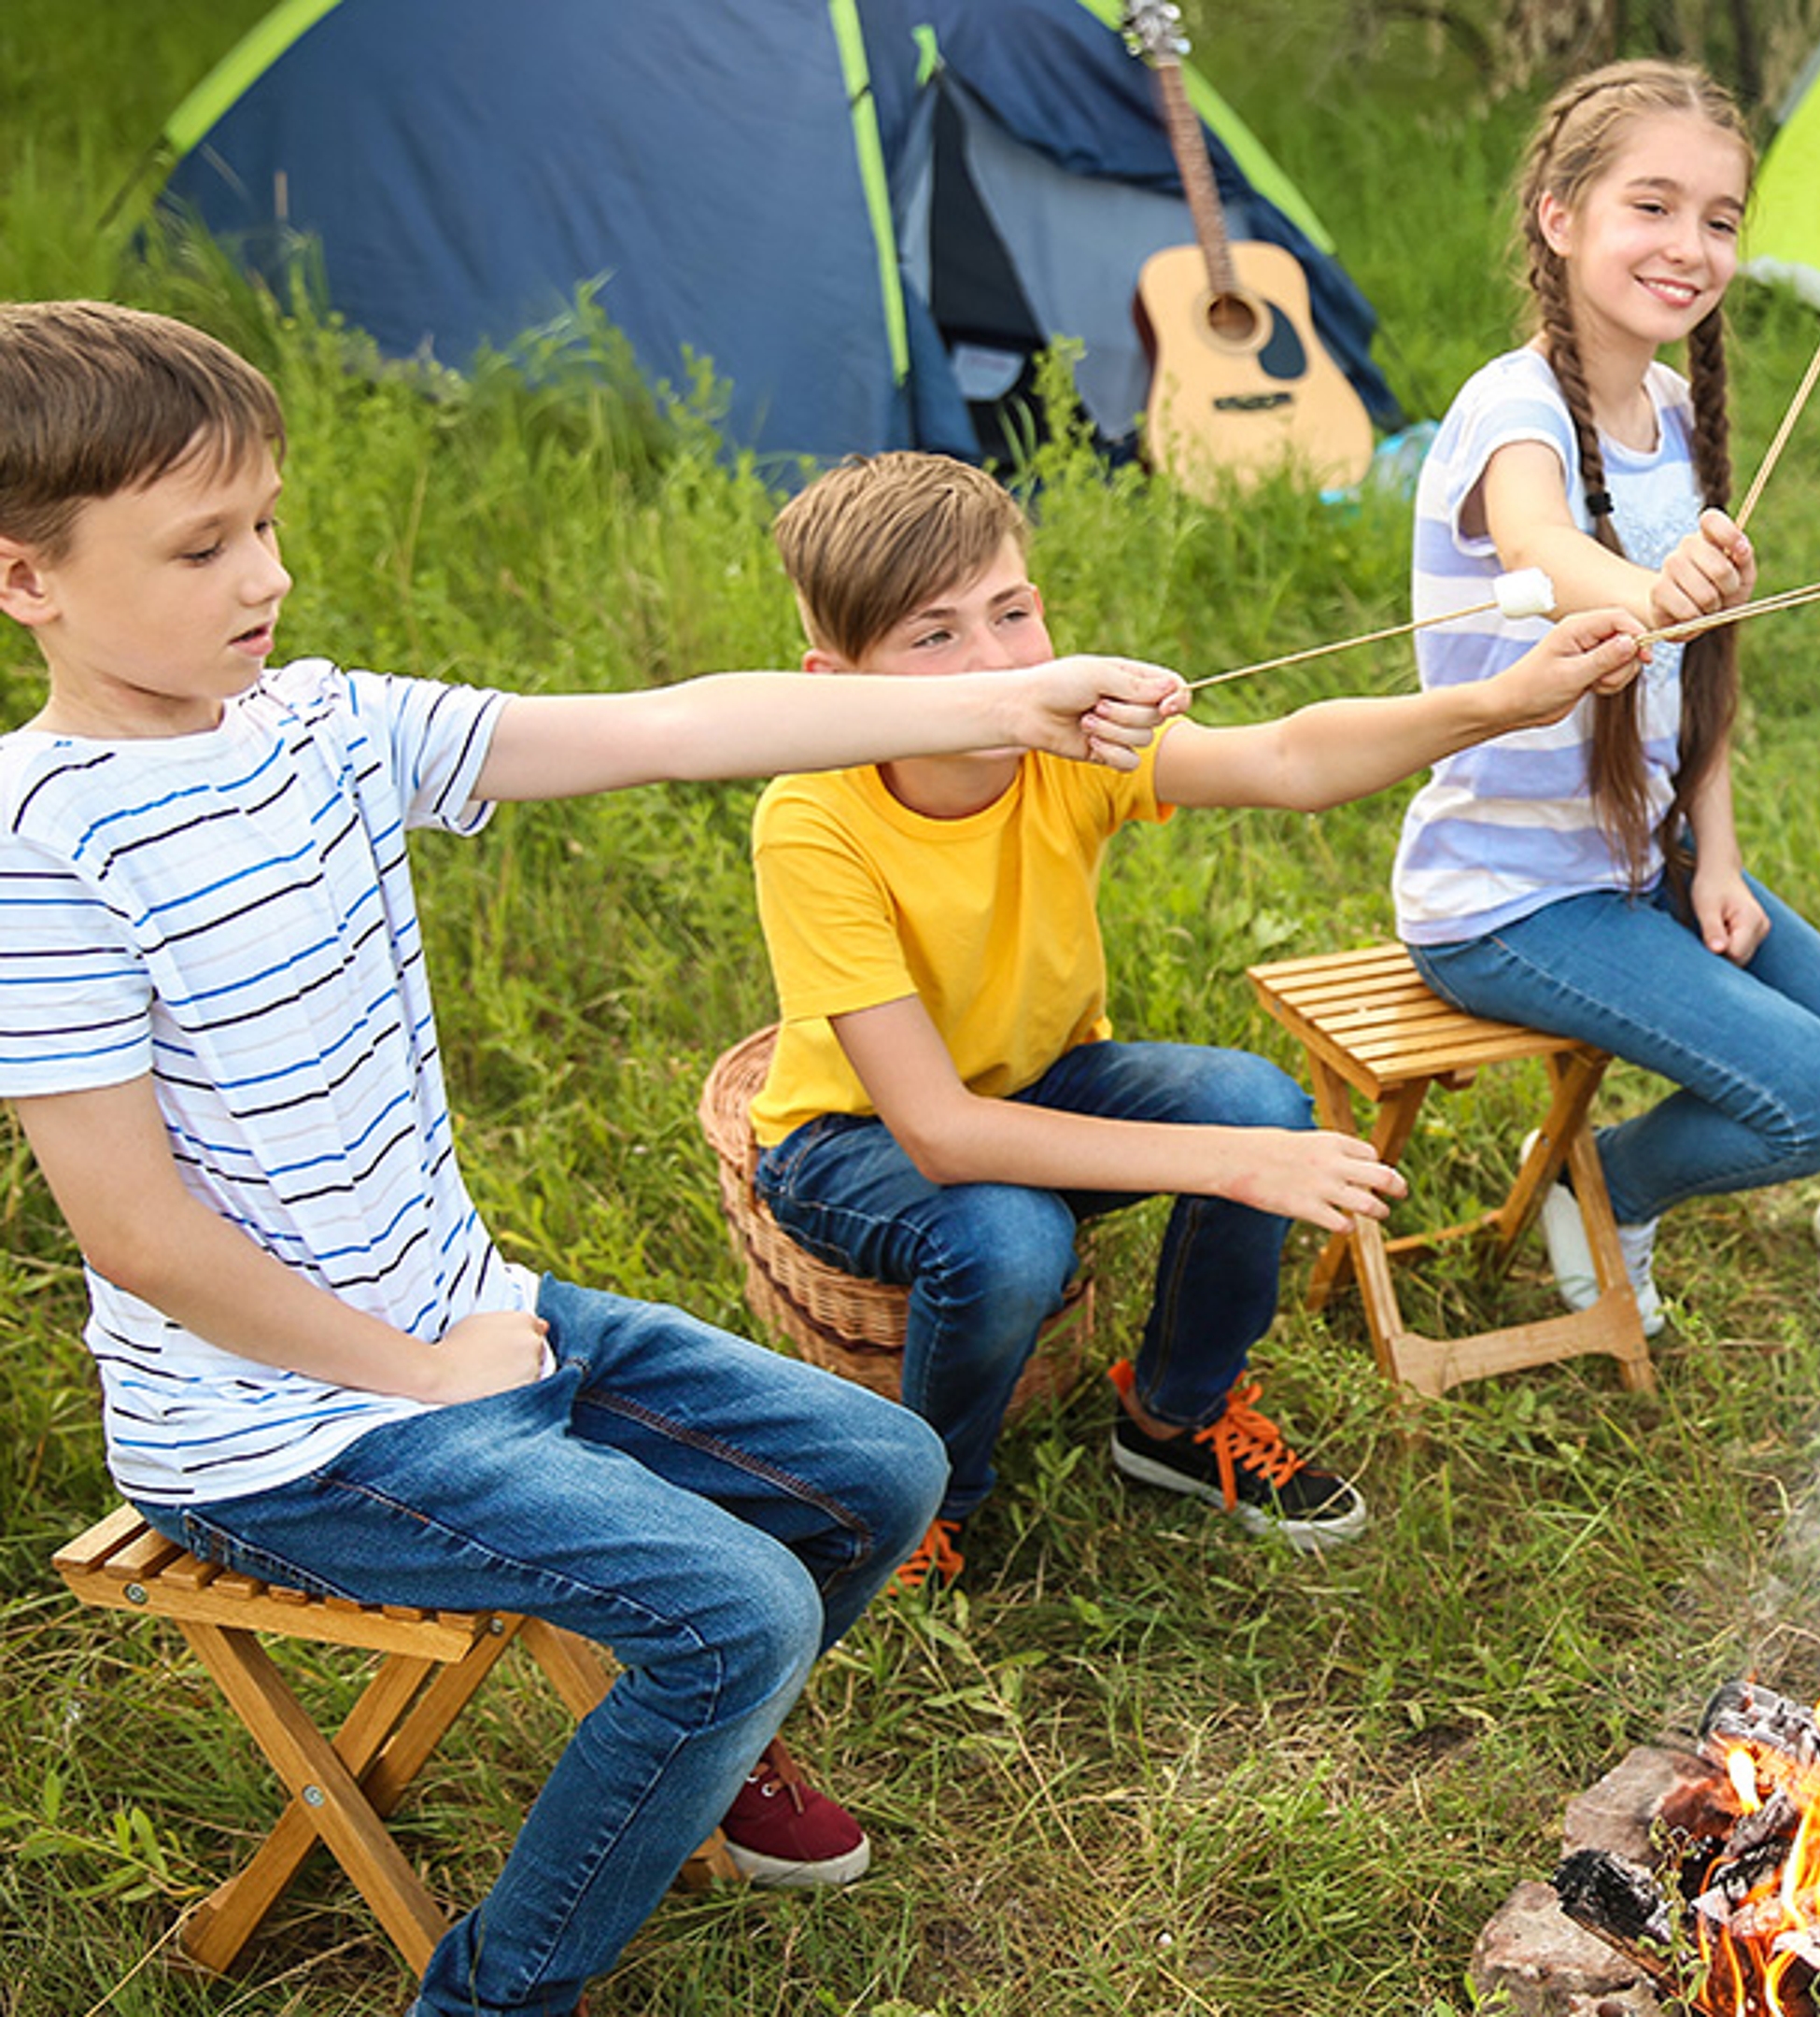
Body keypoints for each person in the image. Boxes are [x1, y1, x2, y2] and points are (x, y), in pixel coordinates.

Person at [0, 301, 1187, 2015]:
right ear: (26, 578)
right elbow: (137, 1237)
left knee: (884, 1475)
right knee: (736, 1614)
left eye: (265, 522)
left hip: (469, 1321)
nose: (260, 575)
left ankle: (701, 1759)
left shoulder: (322, 728)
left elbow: (661, 729)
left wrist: (1018, 690)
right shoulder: (41, 849)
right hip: (277, 1430)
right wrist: (421, 1373)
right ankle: (490, 1995)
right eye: (199, 546)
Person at [750, 452, 1645, 1586]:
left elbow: (1285, 758)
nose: (995, 660)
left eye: (1012, 612)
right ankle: (925, 1498)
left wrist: (1500, 702)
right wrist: (1233, 1166)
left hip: (1032, 1082)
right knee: (1015, 1235)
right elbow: (938, 1133)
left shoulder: (1060, 745)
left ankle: (1175, 1420)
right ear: (836, 683)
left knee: (1256, 1100)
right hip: (849, 1140)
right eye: (934, 637)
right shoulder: (811, 820)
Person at [1388, 58, 1820, 1337]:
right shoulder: (1509, 410)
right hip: (1508, 896)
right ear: (1560, 216)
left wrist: (1718, 856)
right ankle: (1606, 1184)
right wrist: (1643, 590)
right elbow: (1539, 544)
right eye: (1652, 206)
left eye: (1721, 219)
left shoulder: (1679, 414)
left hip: (1645, 862)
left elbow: (1697, 685)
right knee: (1812, 1094)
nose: (1690, 246)